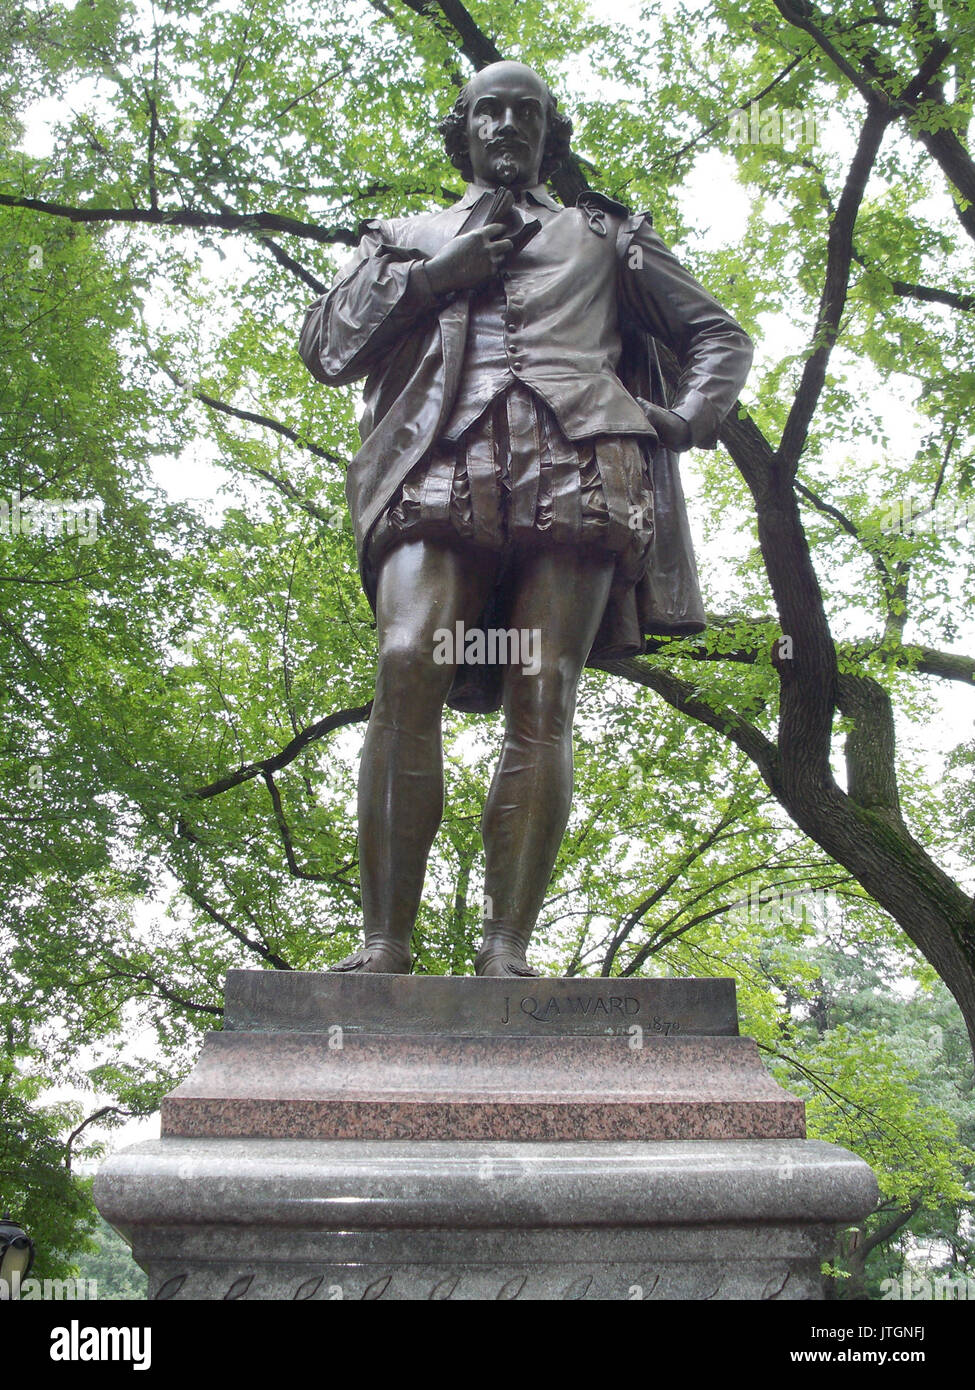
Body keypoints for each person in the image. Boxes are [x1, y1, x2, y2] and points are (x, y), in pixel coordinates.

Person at [299, 61, 753, 977]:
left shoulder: (606, 233)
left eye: (527, 114)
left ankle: (505, 952)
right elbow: (327, 347)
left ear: (550, 134)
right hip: (440, 462)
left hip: (579, 466)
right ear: (462, 130)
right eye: (489, 111)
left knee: (540, 690)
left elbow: (716, 334)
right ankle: (384, 944)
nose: (508, 125)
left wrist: (684, 420)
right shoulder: (403, 237)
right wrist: (430, 281)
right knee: (407, 660)